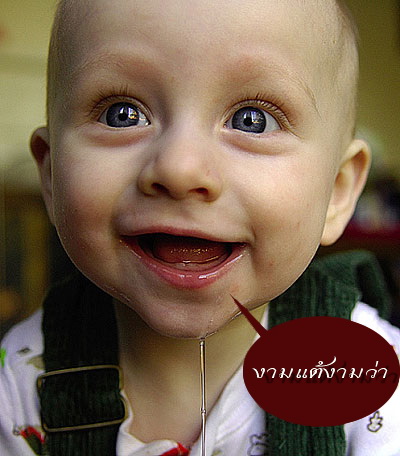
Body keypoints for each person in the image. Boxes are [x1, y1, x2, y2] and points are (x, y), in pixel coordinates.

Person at [1, 0, 399, 454]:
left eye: (253, 120)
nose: (179, 168)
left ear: (337, 191)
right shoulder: (21, 384)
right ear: (52, 176)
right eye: (122, 114)